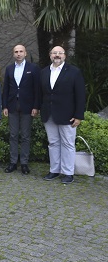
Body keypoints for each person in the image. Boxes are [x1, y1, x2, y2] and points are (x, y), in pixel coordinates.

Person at [40, 46, 86, 184]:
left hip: (68, 115)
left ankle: (68, 172)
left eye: (60, 53)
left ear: (65, 56)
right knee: (53, 143)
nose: (57, 55)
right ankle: (54, 170)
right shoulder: (44, 72)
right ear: (50, 55)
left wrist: (78, 115)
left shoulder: (74, 72)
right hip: (49, 114)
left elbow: (80, 95)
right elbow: (41, 93)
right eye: (54, 53)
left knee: (68, 144)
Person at [2, 44, 41, 174]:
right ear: (13, 54)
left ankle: (24, 163)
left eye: (21, 51)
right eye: (16, 52)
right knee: (13, 135)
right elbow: (6, 88)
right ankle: (13, 162)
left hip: (27, 106)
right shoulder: (9, 68)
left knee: (25, 136)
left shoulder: (33, 68)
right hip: (12, 105)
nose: (18, 54)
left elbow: (37, 89)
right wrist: (5, 106)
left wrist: (36, 106)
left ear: (25, 53)